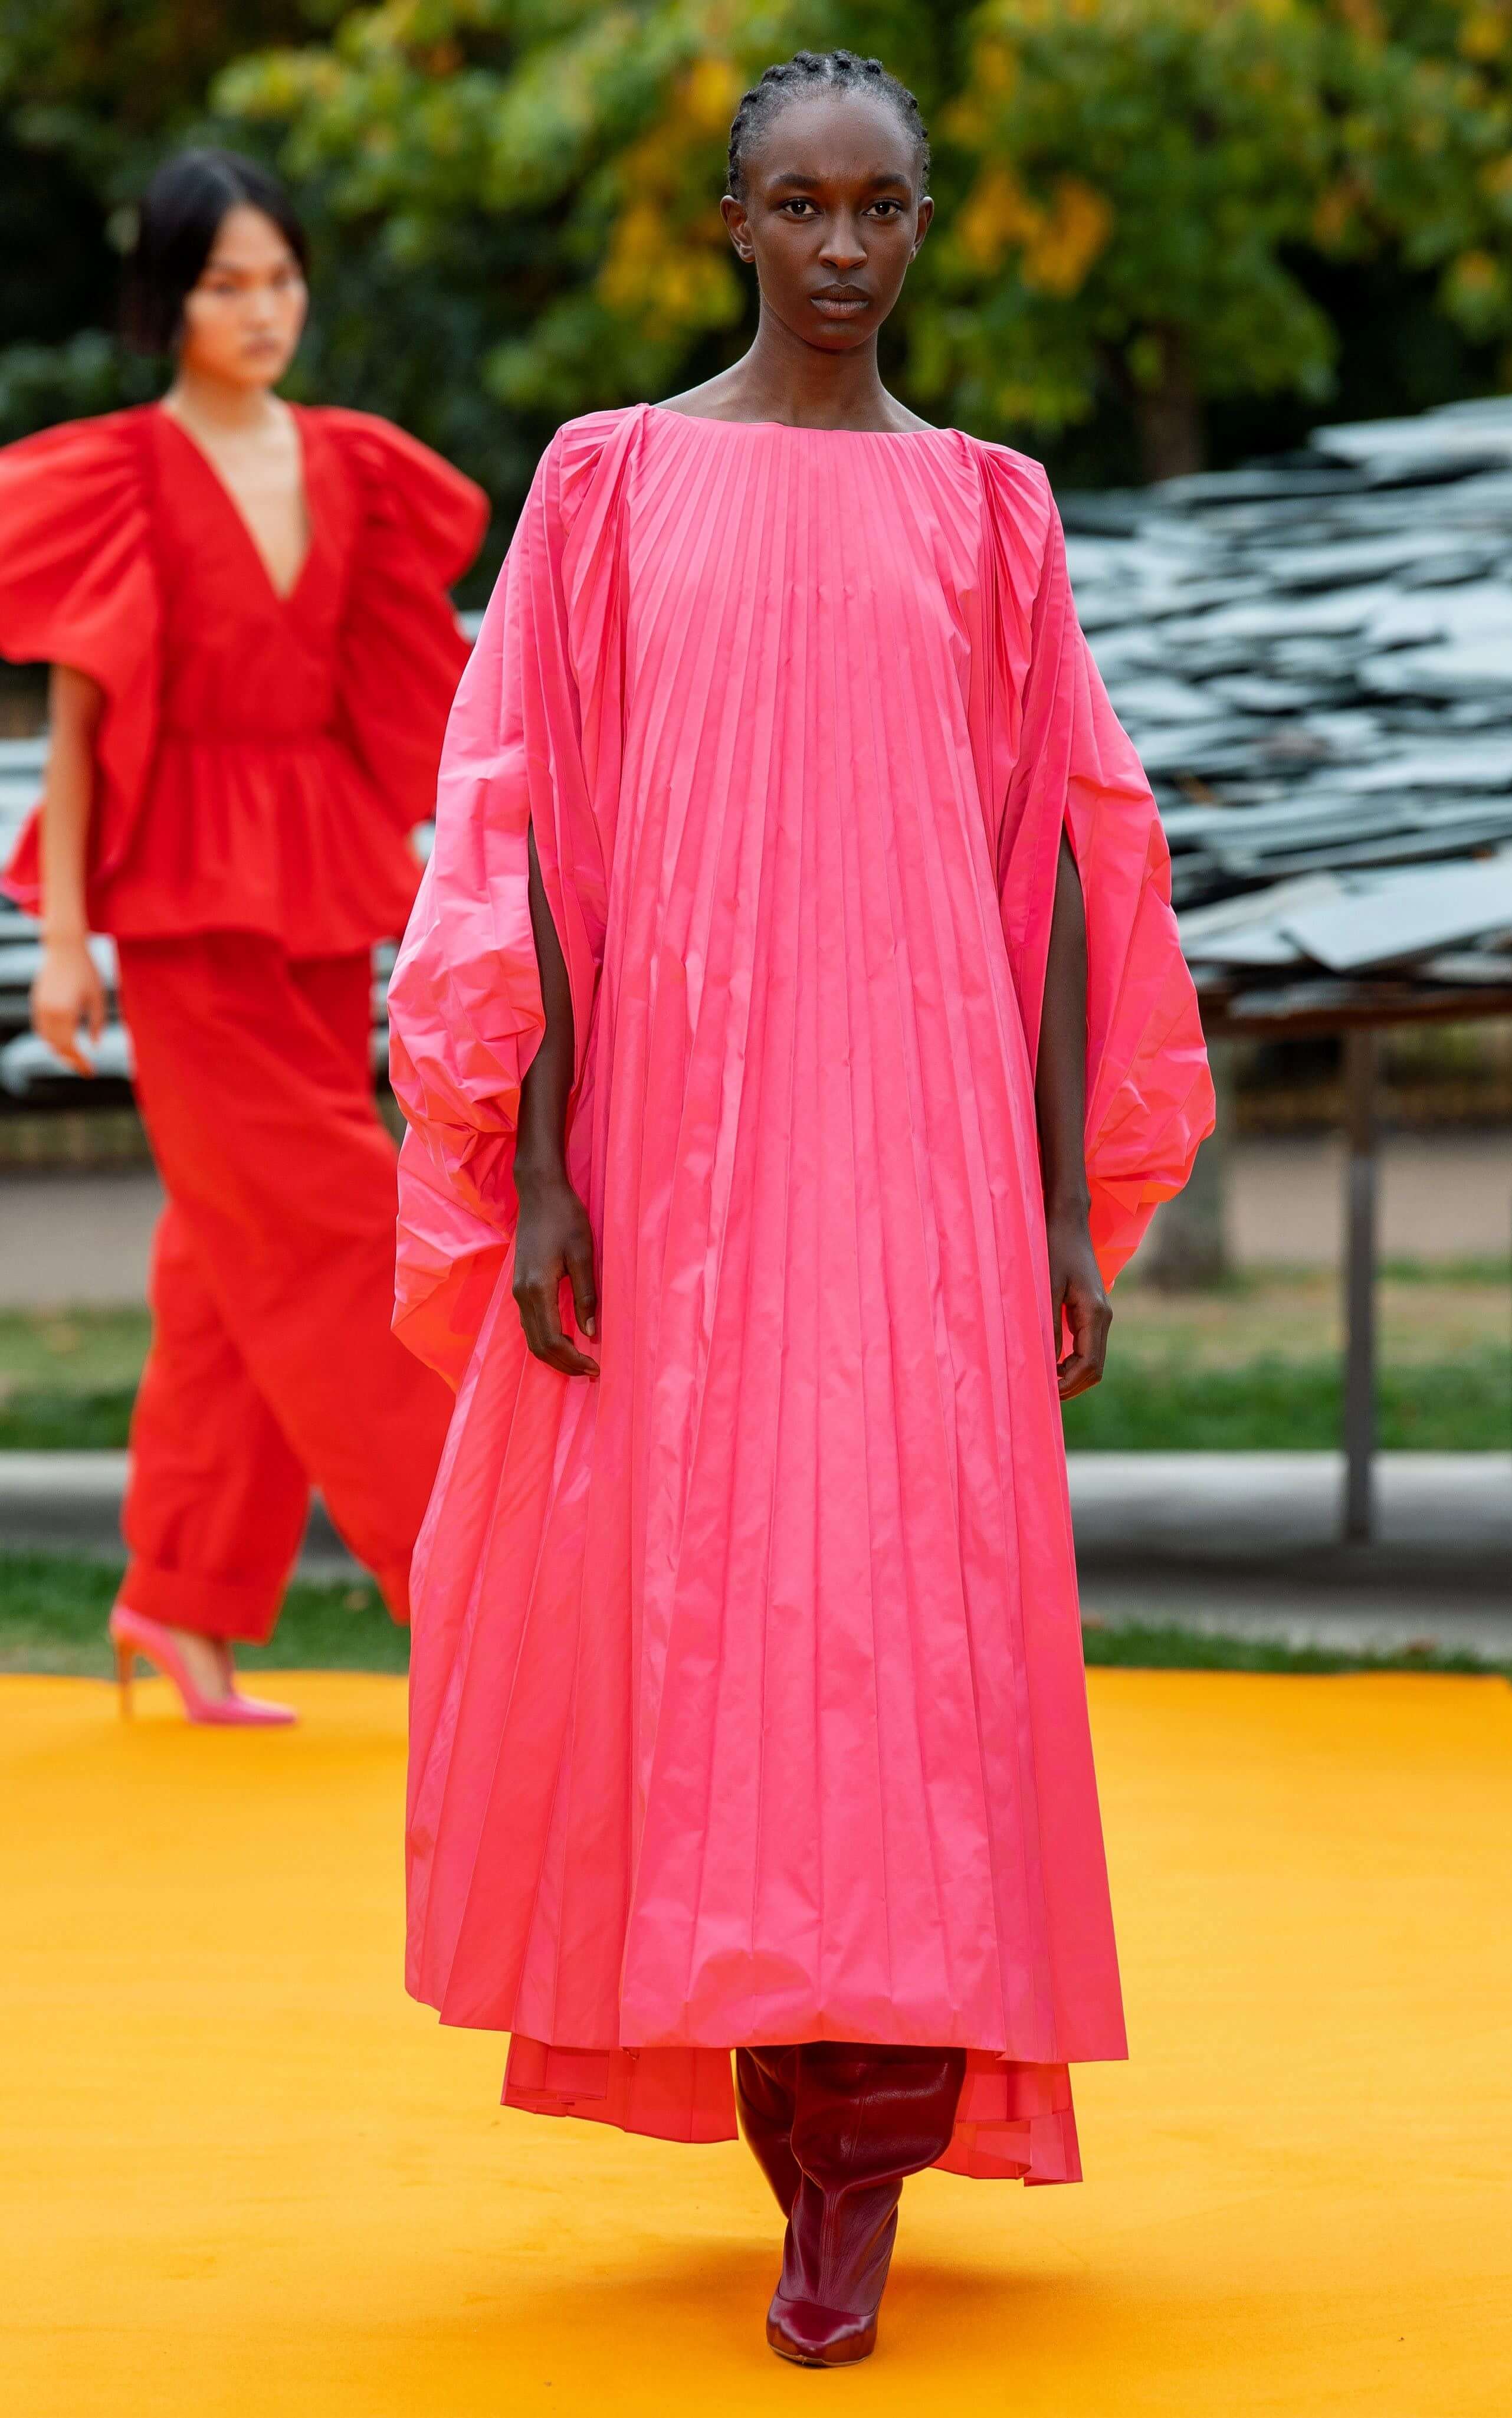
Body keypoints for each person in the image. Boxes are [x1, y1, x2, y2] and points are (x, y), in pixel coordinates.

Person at [389, 50, 1212, 2366]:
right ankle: (797, 2088)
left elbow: (1061, 858)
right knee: (719, 1622)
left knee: (906, 1621)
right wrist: (544, 1167)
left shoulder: (990, 510)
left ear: (920, 228)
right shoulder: (609, 483)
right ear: (731, 223)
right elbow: (528, 823)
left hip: (929, 1157)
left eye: (880, 208)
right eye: (800, 204)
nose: (842, 246)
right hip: (676, 1158)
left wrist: (1058, 1206)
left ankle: (859, 2142)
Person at [0, 150, 488, 1725]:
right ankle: (470, 1578)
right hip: (178, 905)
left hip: (320, 891)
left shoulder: (351, 465)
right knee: (342, 1229)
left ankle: (180, 1594)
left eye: (281, 279)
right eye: (226, 284)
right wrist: (64, 941)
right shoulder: (119, 477)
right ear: (169, 300)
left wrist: (428, 867)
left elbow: (385, 689)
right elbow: (82, 717)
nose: (262, 310)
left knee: (230, 1266)